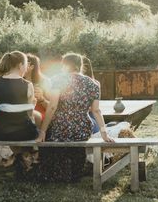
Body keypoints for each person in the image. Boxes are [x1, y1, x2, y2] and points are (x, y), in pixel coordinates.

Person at [32, 52, 113, 183]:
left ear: (64, 65)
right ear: (80, 66)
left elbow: (52, 107)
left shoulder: (58, 80)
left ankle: (54, 171)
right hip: (82, 129)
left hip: (60, 128)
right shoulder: (93, 84)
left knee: (48, 142)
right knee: (74, 145)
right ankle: (75, 170)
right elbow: (96, 110)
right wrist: (104, 133)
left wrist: (42, 131)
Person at [0, 51, 39, 143]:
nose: (26, 68)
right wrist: (33, 105)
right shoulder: (28, 85)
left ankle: (19, 155)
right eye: (25, 64)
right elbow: (30, 113)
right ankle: (25, 155)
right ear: (20, 65)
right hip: (23, 133)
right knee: (35, 130)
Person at [24, 54, 49, 125]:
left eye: (23, 64)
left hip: (39, 117)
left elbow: (51, 107)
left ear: (32, 67)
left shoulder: (44, 81)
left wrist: (41, 99)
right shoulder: (18, 80)